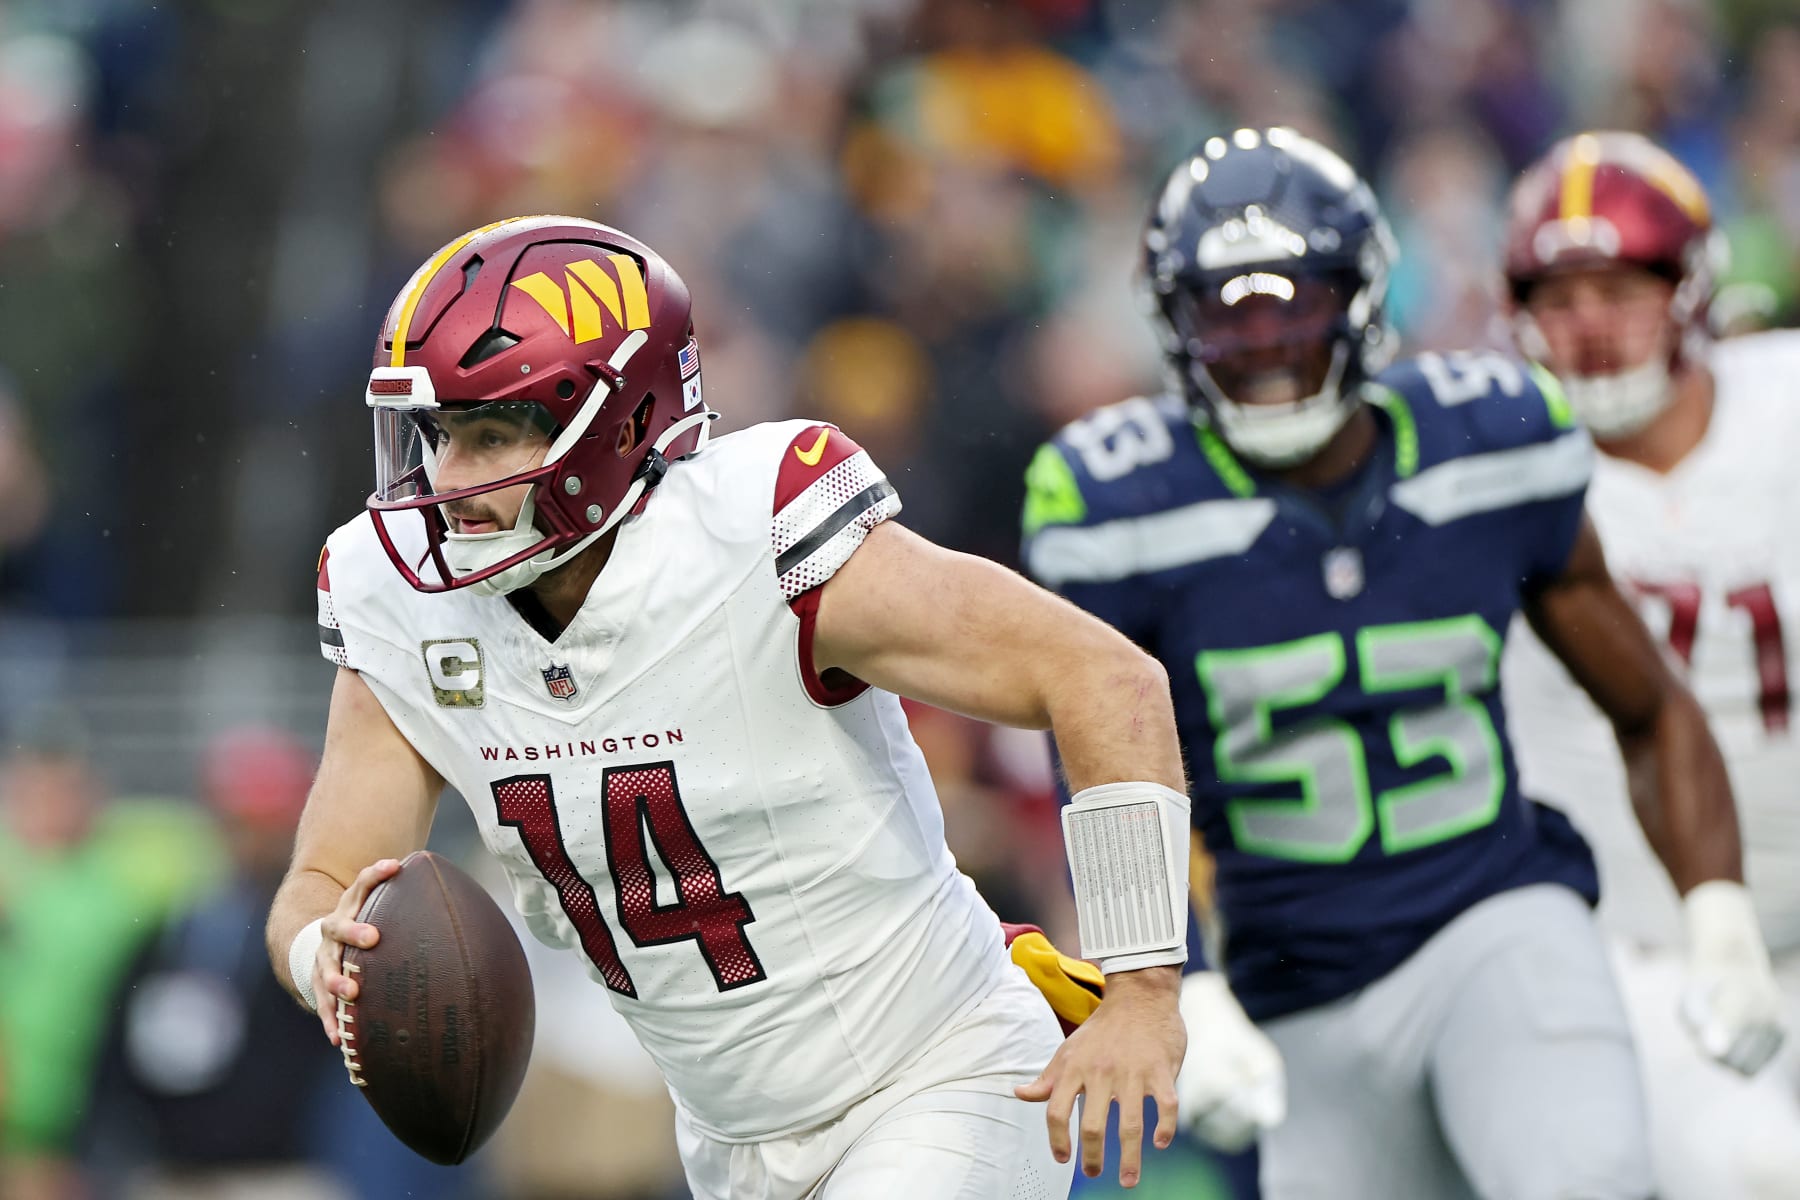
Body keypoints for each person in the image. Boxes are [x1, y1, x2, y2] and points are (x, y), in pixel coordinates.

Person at [265, 216, 1190, 1200]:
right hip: (728, 1142)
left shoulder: (758, 533)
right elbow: (319, 881)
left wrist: (1142, 987)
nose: (447, 483)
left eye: (490, 435)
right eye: (439, 435)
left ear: (618, 425)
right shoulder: (402, 601)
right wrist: (328, 952)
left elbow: (1104, 678)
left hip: (938, 1070)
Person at [1021, 127, 1783, 1200]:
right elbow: (1097, 762)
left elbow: (1647, 704)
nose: (1271, 346)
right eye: (1228, 315)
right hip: (1293, 981)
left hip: (1495, 913)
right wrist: (1173, 979)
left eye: (1297, 303)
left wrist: (1716, 910)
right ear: (1171, 322)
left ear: (1366, 296)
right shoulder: (1118, 504)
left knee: (1585, 1182)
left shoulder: (1494, 442)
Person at [1499, 129, 1800, 1199]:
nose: (1589, 329)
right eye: (1560, 297)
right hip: (1633, 951)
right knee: (1756, 1176)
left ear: (1690, 288)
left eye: (1620, 290)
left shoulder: (1784, 407)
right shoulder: (1495, 469)